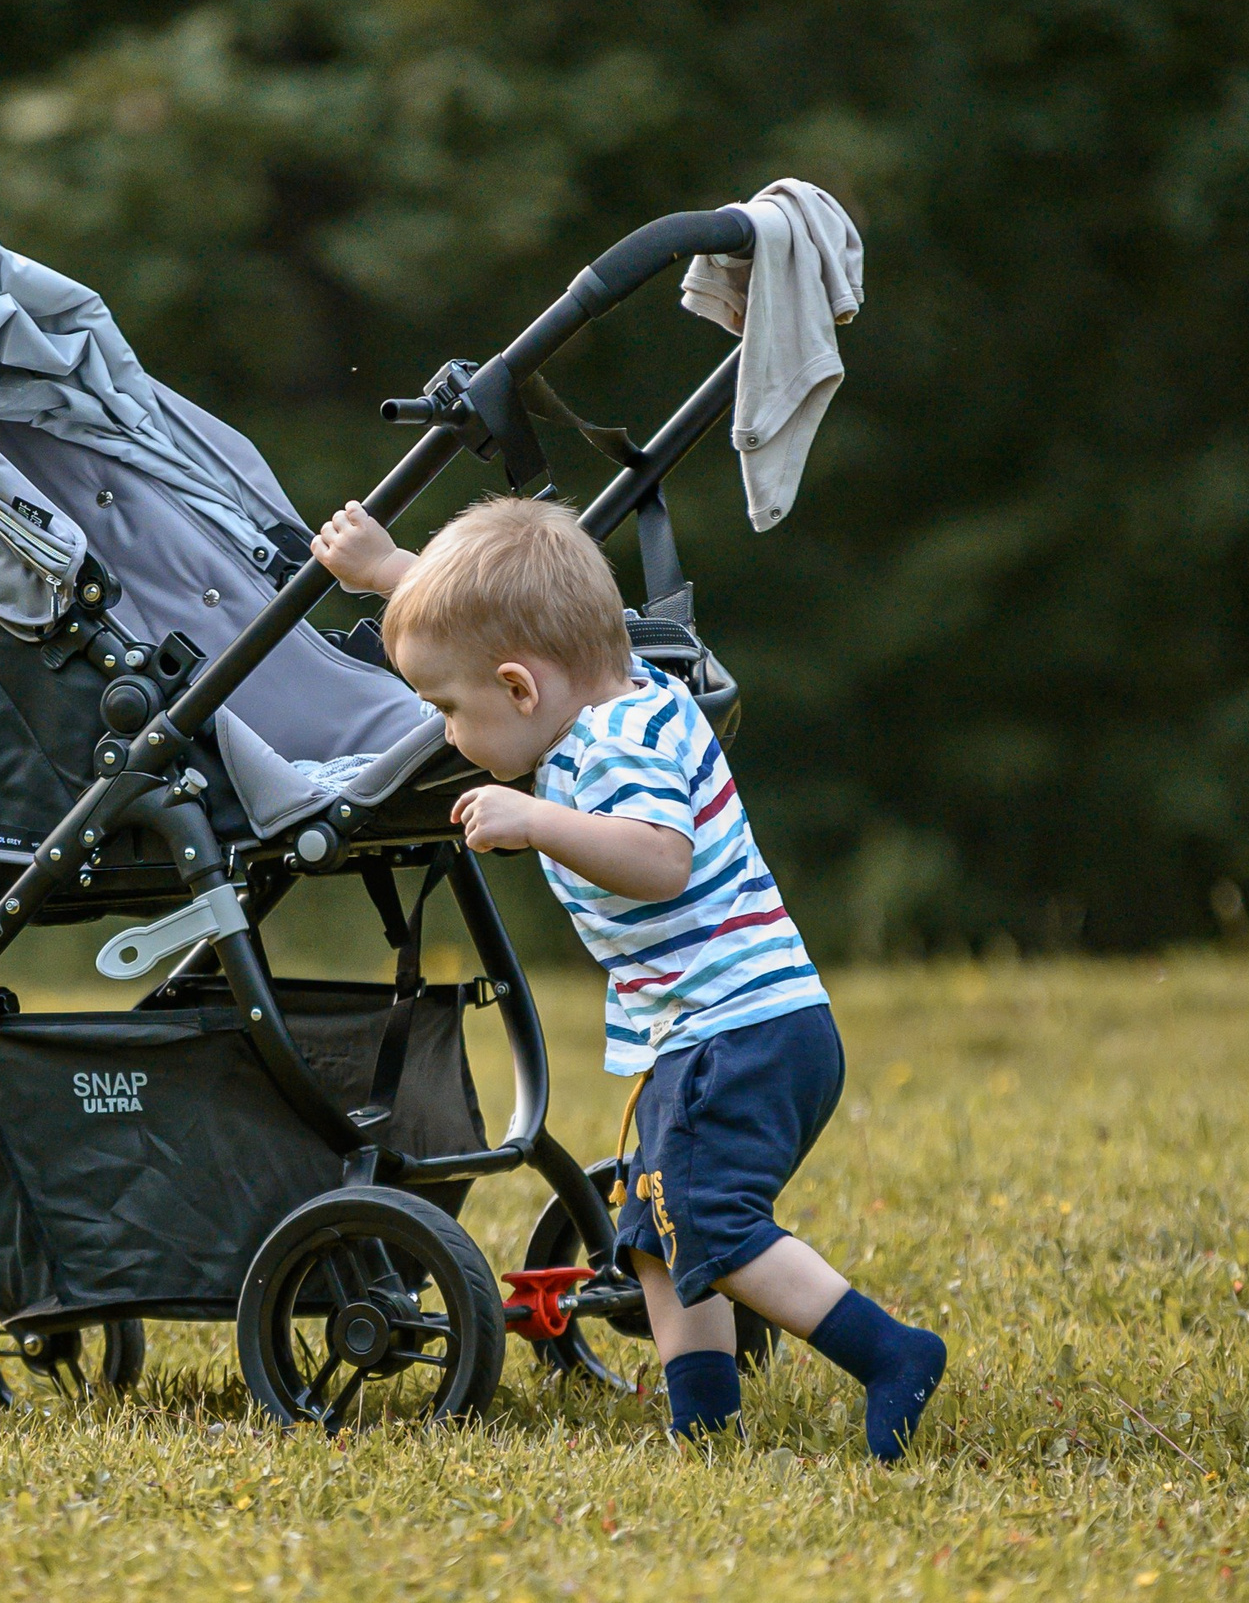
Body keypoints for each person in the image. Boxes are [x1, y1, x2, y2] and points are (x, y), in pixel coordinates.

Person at [311, 495, 946, 1459]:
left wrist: (538, 822)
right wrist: (392, 569)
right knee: (653, 1236)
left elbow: (659, 859)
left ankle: (891, 1352)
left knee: (710, 1223)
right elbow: (495, 624)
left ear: (522, 691)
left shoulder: (615, 750)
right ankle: (703, 1430)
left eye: (448, 710)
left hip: (737, 1033)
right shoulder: (620, 689)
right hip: (722, 1030)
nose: (445, 735)